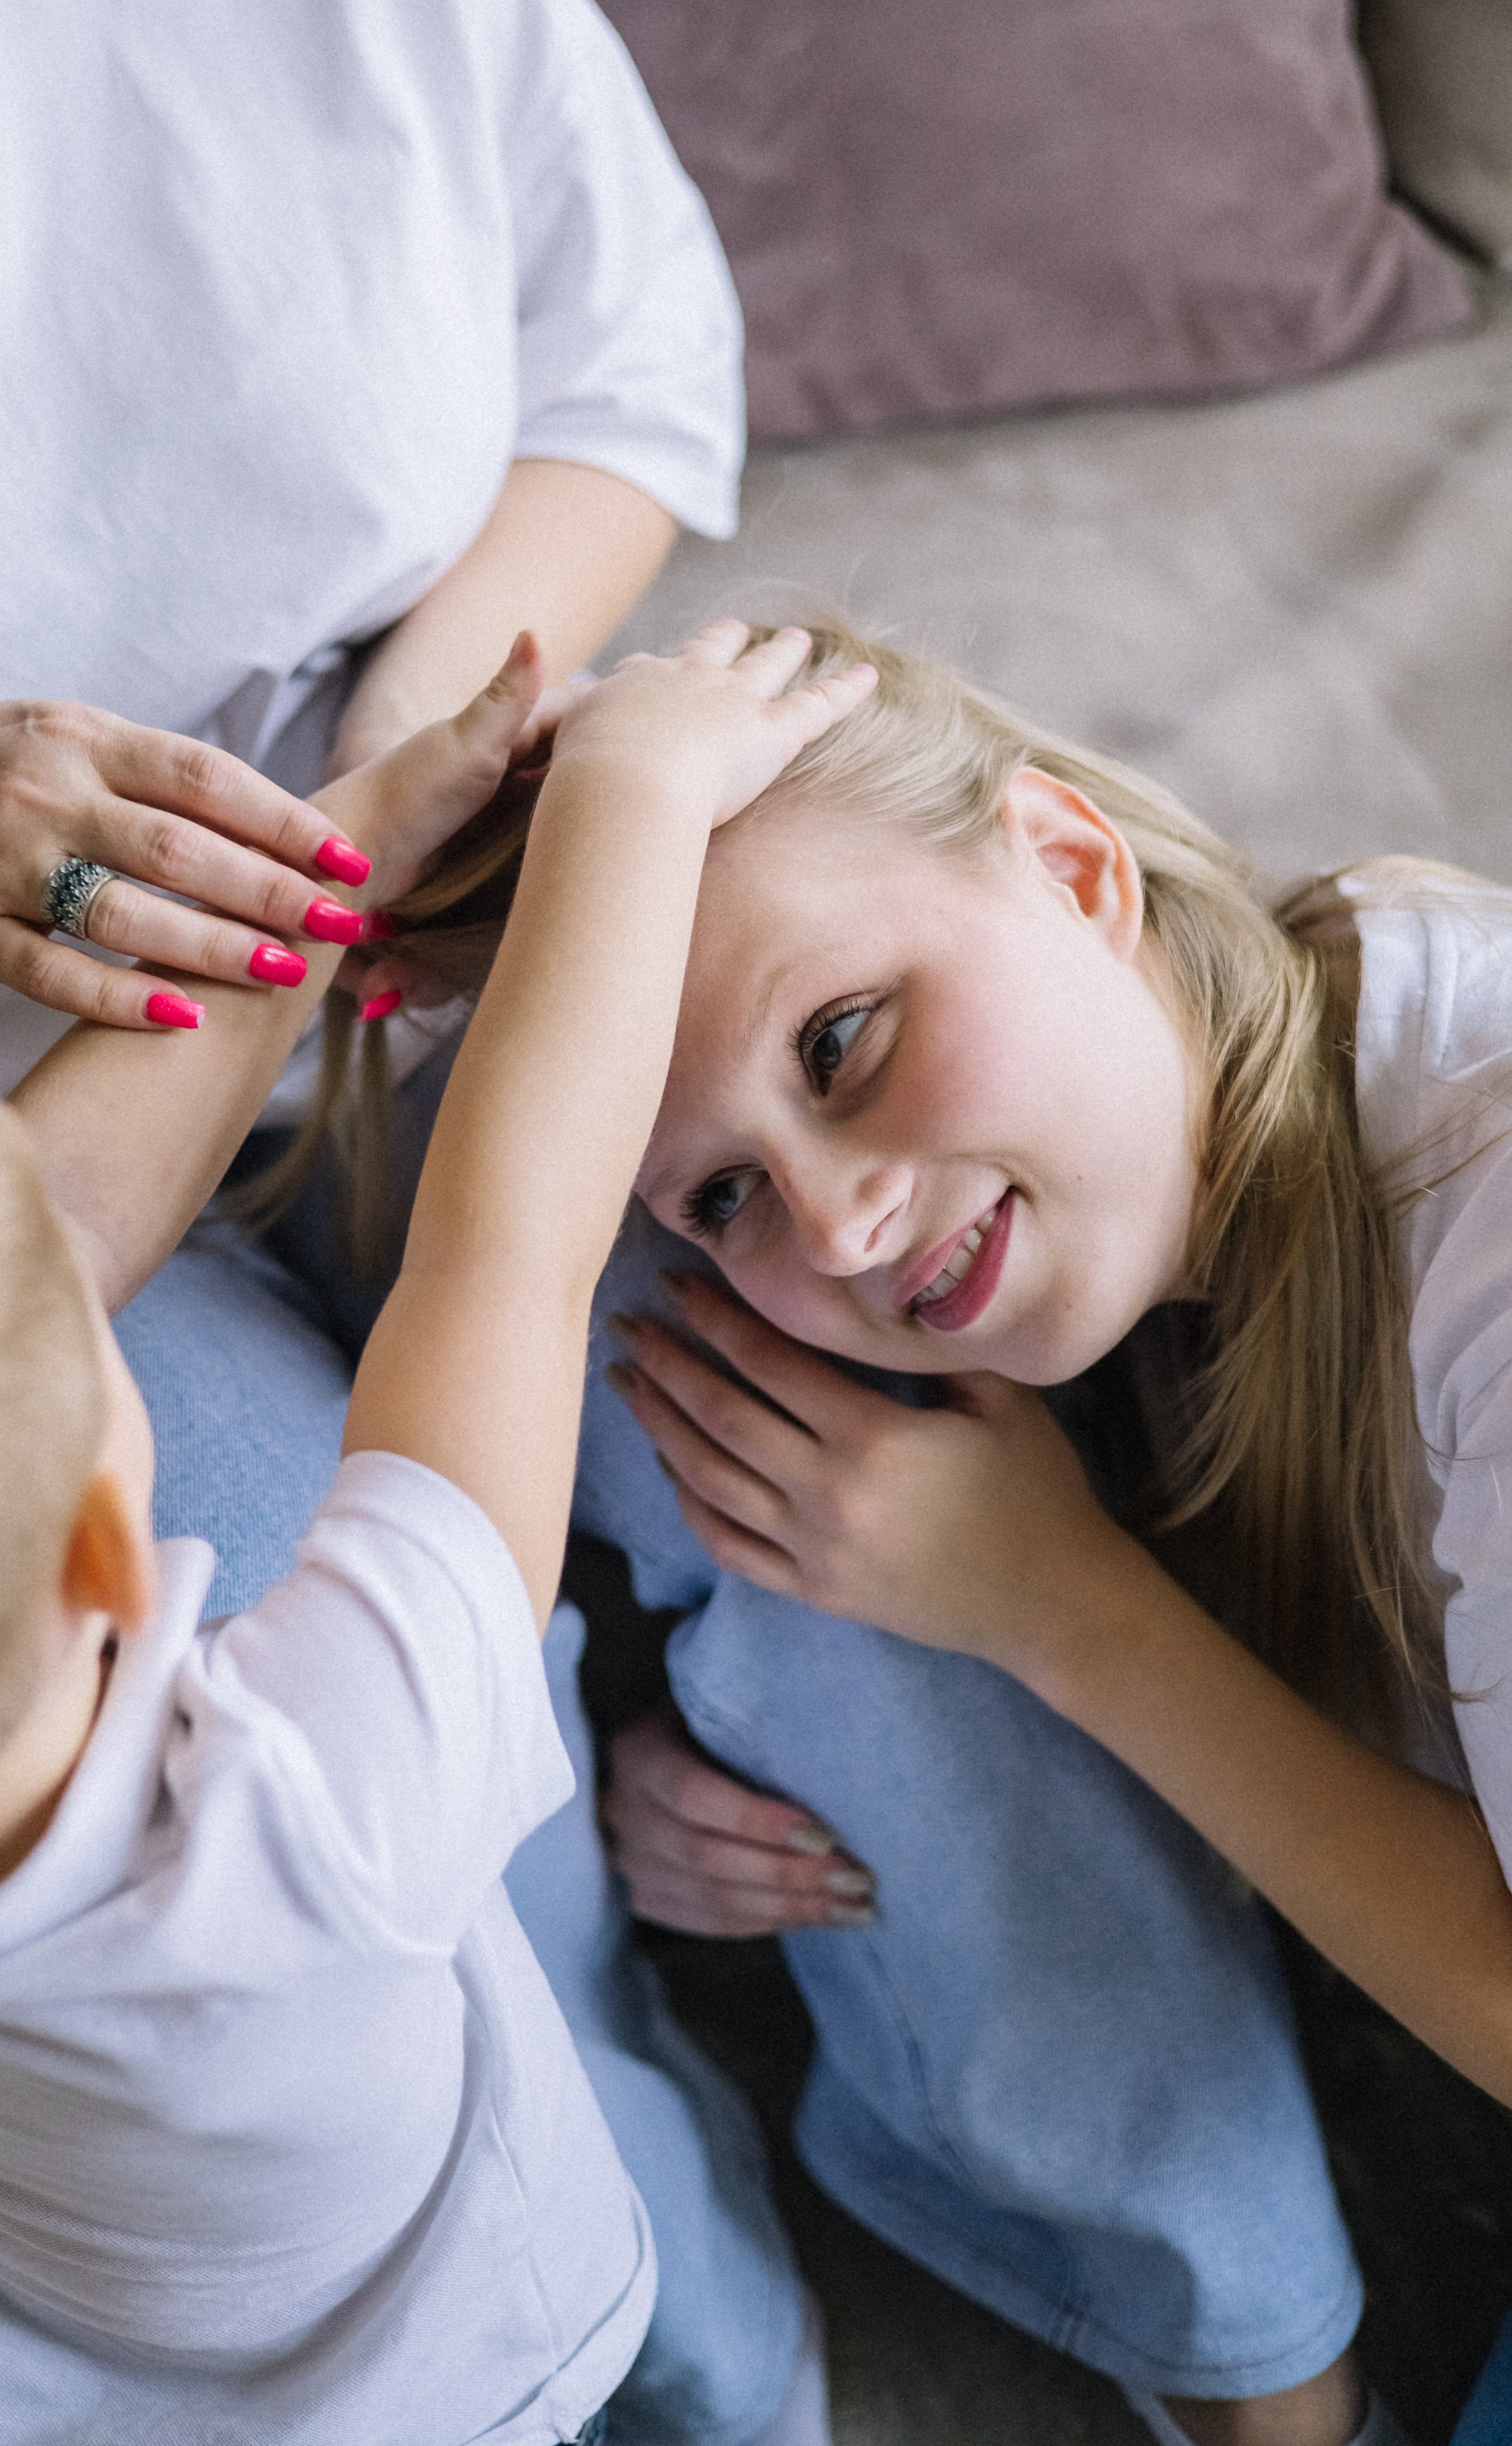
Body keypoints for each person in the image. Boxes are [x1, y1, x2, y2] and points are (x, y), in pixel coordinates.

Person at [0, 12, 828, 2440]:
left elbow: (628, 356)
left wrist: (370, 795)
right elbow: (491, 1286)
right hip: (514, 2329)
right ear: (112, 1544)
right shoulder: (319, 1789)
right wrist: (610, 798)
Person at [339, 618, 1497, 2445]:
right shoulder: (1164, 1216)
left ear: (1070, 862)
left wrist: (1066, 1611)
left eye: (846, 1042)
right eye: (729, 1189)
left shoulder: (1484, 1222)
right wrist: (663, 1765)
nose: (845, 1232)